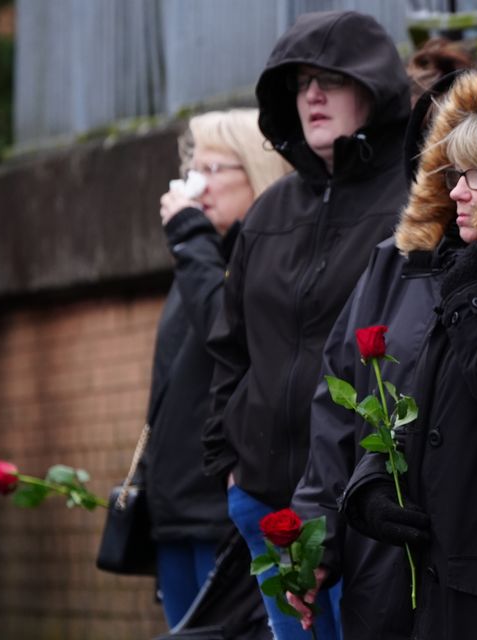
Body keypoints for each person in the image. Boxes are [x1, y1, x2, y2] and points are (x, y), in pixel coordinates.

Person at [294, 66, 477, 639]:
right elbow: (399, 404)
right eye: (450, 174)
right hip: (407, 590)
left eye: (473, 175)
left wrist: (474, 295)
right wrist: (365, 489)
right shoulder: (438, 267)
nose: (456, 192)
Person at [202, 10, 410, 639]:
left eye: (332, 79)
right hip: (266, 507)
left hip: (367, 511)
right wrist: (230, 466)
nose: (313, 95)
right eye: (301, 83)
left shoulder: (410, 201)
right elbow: (228, 345)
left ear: (372, 90)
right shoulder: (269, 211)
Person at [145, 108, 291, 629]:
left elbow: (225, 329)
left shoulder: (249, 256)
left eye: (213, 171)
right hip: (175, 508)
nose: (196, 186)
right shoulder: (200, 254)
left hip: (222, 512)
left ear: (257, 171)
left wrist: (189, 239)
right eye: (193, 170)